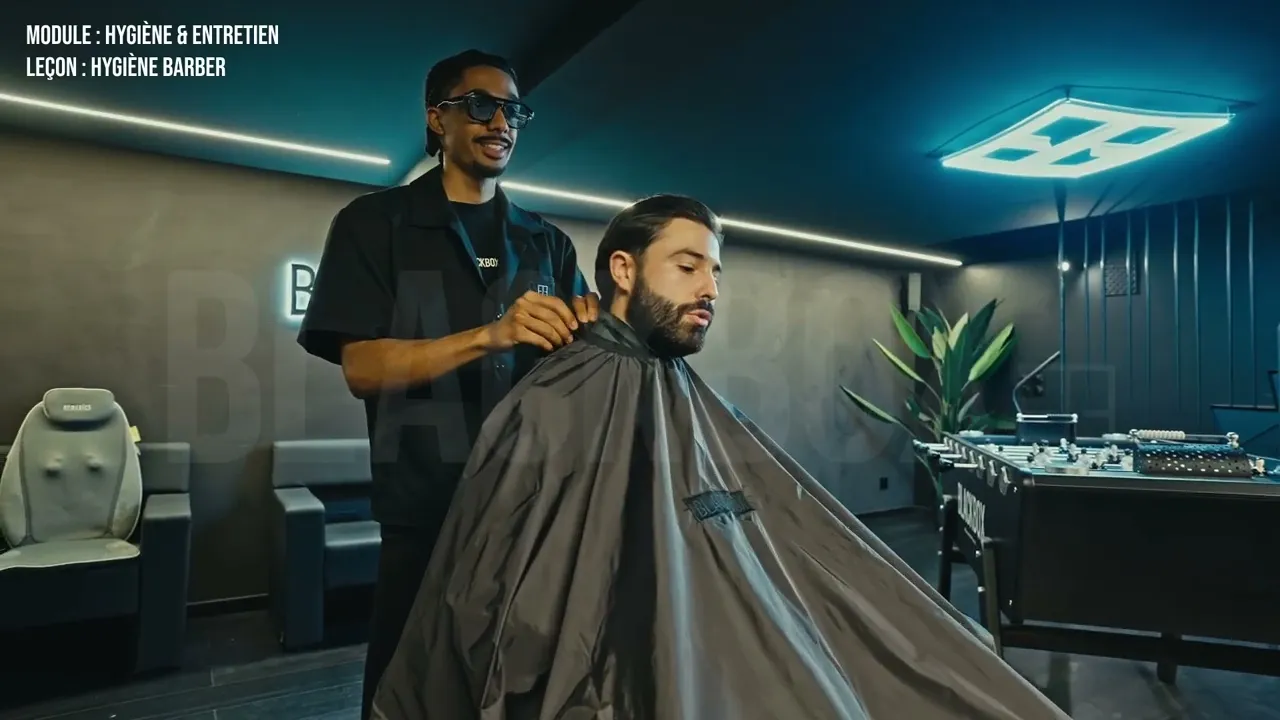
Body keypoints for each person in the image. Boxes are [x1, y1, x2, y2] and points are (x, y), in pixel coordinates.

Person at [371, 195, 1068, 720]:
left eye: (715, 272)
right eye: (687, 266)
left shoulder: (679, 391)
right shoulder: (553, 402)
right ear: (623, 269)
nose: (709, 289)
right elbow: (501, 605)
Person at [296, 49, 599, 720]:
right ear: (438, 119)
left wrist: (599, 327)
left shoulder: (547, 244)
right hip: (423, 507)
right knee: (405, 688)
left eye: (513, 110)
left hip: (525, 506)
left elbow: (574, 366)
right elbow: (362, 369)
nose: (501, 123)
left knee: (512, 681)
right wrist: (490, 335)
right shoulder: (373, 224)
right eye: (481, 105)